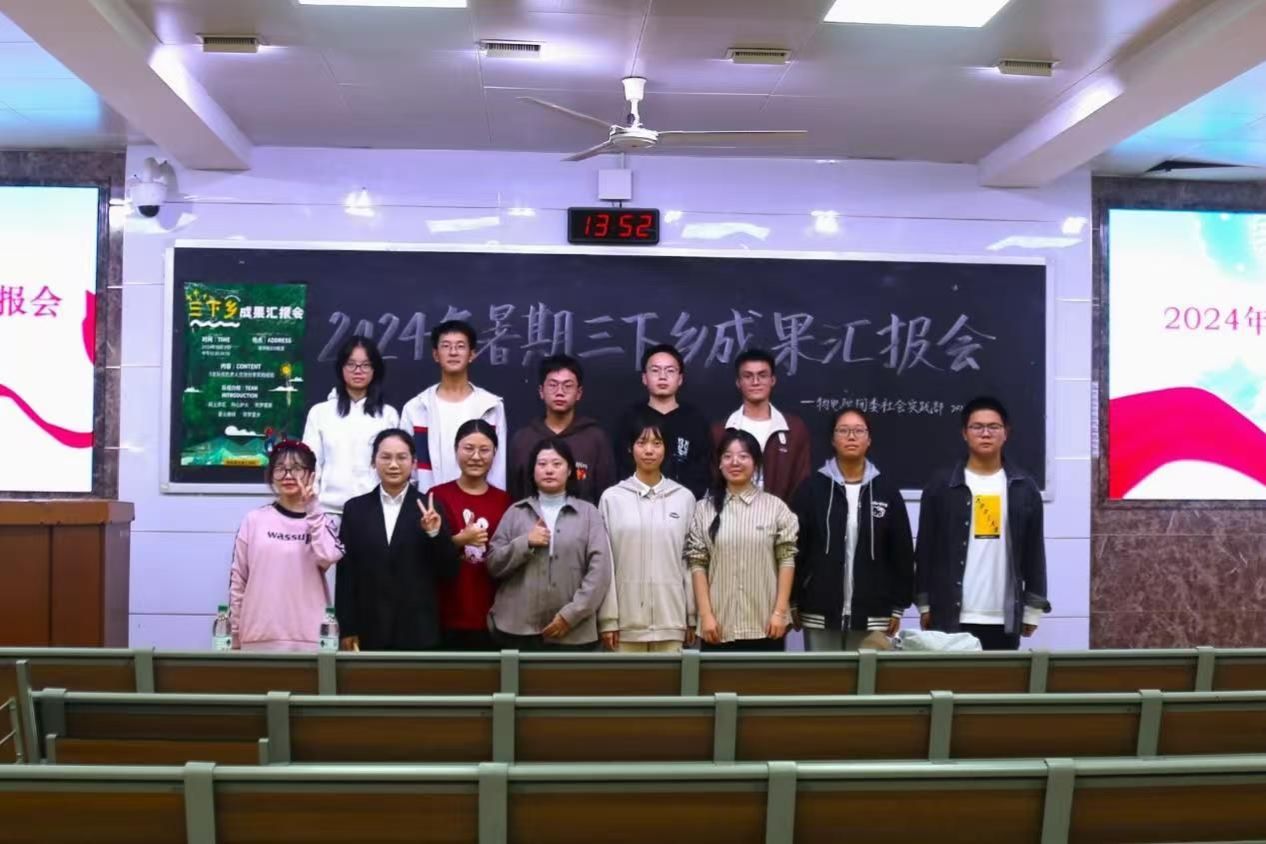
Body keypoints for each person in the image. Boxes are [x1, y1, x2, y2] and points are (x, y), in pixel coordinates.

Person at [915, 396, 1050, 651]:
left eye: (993, 427)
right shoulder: (941, 486)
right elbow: (925, 548)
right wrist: (924, 603)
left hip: (1003, 617)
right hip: (950, 613)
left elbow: (1034, 550)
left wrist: (1033, 608)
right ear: (964, 433)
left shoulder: (1023, 487)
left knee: (999, 678)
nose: (985, 433)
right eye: (977, 427)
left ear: (1006, 433)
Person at [791, 408, 914, 650]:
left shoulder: (886, 491)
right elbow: (796, 548)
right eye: (843, 430)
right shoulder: (811, 489)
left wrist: (898, 605)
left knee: (868, 674)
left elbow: (901, 552)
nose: (851, 437)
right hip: (819, 608)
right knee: (821, 674)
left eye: (859, 431)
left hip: (873, 610)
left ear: (869, 439)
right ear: (832, 439)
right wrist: (793, 599)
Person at [334, 428, 461, 651]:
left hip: (418, 630)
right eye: (385, 457)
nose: (393, 465)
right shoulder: (355, 509)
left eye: (402, 457)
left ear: (414, 463)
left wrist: (434, 534)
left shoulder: (430, 507)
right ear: (373, 462)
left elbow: (448, 571)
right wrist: (347, 627)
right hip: (368, 629)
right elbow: (346, 574)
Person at [486, 437, 612, 651]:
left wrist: (571, 615)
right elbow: (493, 564)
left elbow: (600, 572)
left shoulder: (589, 513)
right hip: (516, 629)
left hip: (574, 631)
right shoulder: (516, 512)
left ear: (570, 470)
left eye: (557, 464)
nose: (549, 470)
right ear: (532, 470)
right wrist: (525, 542)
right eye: (542, 464)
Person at [686, 429, 798, 651]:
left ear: (756, 463)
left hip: (766, 625)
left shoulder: (776, 508)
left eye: (743, 456)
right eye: (727, 456)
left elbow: (786, 560)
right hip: (717, 627)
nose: (735, 462)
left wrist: (779, 612)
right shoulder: (703, 509)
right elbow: (698, 564)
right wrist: (706, 615)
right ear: (719, 463)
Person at [229, 441, 344, 652]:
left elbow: (328, 557)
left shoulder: (322, 521)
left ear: (311, 475)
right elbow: (238, 581)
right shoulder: (254, 520)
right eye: (280, 468)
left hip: (311, 640)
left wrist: (313, 509)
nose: (288, 475)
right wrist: (234, 635)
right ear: (271, 475)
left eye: (297, 468)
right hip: (258, 638)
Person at [597, 411, 698, 653]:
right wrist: (608, 620)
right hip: (625, 625)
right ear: (630, 448)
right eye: (641, 443)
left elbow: (691, 561)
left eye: (657, 443)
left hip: (672, 621)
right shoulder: (612, 498)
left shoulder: (684, 498)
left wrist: (691, 616)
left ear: (666, 448)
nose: (649, 450)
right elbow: (604, 564)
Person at [430, 419, 512, 651]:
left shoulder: (506, 501)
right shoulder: (437, 496)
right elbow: (427, 555)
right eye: (468, 448)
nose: (476, 456)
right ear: (455, 450)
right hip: (445, 612)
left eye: (484, 450)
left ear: (495, 453)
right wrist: (460, 540)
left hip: (494, 614)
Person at [301, 336, 400, 526]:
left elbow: (395, 467)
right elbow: (311, 464)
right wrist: (311, 507)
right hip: (328, 513)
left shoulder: (388, 415)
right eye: (351, 364)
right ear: (341, 368)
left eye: (365, 365)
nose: (358, 371)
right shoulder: (320, 413)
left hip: (375, 512)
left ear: (375, 369)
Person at [400, 320, 507, 493]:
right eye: (446, 346)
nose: (453, 352)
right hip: (428, 502)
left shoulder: (491, 406)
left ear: (472, 354)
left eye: (460, 346)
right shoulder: (416, 408)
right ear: (436, 354)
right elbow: (405, 465)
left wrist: (495, 503)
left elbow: (498, 467)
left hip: (478, 503)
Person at [507, 354, 616, 505]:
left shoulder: (595, 438)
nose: (560, 392)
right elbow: (514, 494)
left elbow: (606, 495)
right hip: (532, 519)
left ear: (579, 393)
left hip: (583, 519)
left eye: (567, 385)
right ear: (541, 391)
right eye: (553, 385)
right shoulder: (523, 439)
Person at [612, 343, 712, 499]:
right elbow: (621, 465)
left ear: (680, 379)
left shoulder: (695, 420)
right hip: (636, 502)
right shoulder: (630, 418)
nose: (662, 376)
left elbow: (703, 467)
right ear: (644, 378)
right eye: (655, 370)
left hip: (685, 504)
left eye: (670, 371)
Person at [712, 348, 811, 504]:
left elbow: (802, 483)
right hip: (730, 515)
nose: (755, 382)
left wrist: (784, 516)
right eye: (748, 376)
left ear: (772, 380)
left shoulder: (794, 429)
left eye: (762, 375)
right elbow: (714, 482)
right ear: (738, 382)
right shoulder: (721, 431)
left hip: (781, 517)